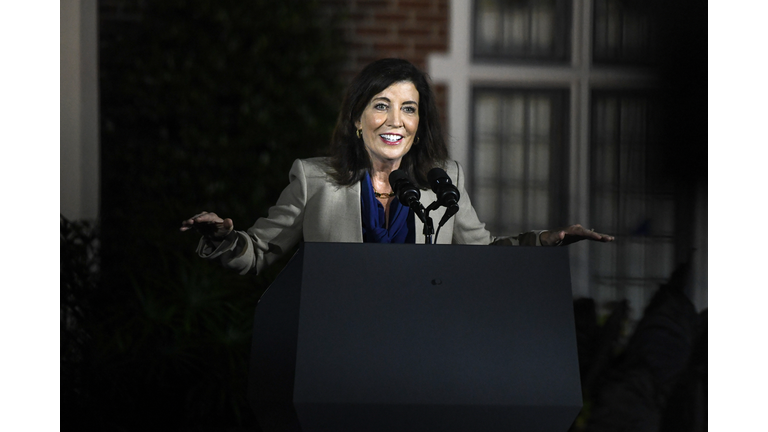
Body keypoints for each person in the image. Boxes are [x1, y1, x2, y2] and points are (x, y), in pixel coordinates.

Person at [180, 58, 613, 275]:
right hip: (338, 345)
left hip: (419, 343)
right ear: (356, 118)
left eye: (409, 109)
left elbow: (481, 252)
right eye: (381, 106)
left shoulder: (445, 181)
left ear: (420, 123)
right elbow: (260, 252)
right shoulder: (313, 180)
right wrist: (225, 239)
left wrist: (547, 241)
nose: (395, 121)